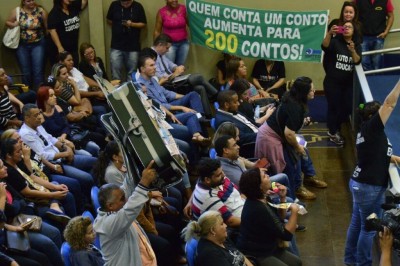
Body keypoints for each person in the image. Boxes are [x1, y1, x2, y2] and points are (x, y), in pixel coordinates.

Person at [344, 78, 400, 266]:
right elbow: (390, 103)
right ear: (374, 117)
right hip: (369, 187)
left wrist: (393, 158)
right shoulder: (374, 127)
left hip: (360, 184)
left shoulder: (365, 132)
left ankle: (350, 261)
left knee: (357, 223)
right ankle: (363, 264)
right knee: (368, 229)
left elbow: (374, 154)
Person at [255, 77, 326, 201]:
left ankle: (309, 176)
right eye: (311, 90)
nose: (314, 91)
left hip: (280, 134)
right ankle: (297, 189)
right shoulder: (295, 107)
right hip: (270, 138)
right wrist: (297, 148)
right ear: (303, 92)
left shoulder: (293, 98)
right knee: (293, 159)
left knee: (303, 146)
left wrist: (300, 146)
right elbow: (289, 134)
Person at [19, 104, 96, 205]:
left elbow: (51, 139)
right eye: (35, 115)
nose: (39, 117)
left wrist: (65, 147)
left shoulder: (38, 125)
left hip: (61, 155)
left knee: (94, 161)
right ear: (27, 118)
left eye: (39, 113)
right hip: (54, 164)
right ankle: (87, 203)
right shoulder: (25, 134)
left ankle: (91, 195)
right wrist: (65, 153)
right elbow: (42, 155)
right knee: (86, 178)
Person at [93, 161, 158, 266]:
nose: (126, 200)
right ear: (110, 205)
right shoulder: (108, 224)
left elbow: (127, 185)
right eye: (122, 199)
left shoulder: (115, 207)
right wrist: (144, 182)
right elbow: (130, 209)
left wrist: (135, 164)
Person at [137, 55, 211, 146]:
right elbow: (158, 105)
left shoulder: (153, 80)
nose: (155, 67)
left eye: (154, 65)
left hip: (169, 105)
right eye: (151, 65)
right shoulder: (141, 86)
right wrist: (182, 107)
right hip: (163, 115)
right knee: (192, 115)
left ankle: (201, 118)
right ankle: (199, 131)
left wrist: (185, 97)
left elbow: (167, 93)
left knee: (193, 94)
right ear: (143, 69)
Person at [237, 168, 302, 266]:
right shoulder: (258, 208)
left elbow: (280, 217)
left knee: (296, 262)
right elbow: (286, 235)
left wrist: (283, 198)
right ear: (259, 186)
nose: (268, 176)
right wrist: (294, 211)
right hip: (257, 253)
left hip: (269, 247)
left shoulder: (261, 198)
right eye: (264, 176)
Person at [151, 34, 218, 117]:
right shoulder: (151, 56)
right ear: (160, 45)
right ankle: (216, 95)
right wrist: (175, 74)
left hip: (173, 80)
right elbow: (160, 78)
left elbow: (170, 64)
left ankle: (207, 116)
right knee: (198, 77)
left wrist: (177, 67)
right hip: (168, 84)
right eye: (167, 48)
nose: (168, 51)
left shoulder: (161, 55)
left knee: (200, 88)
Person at [322, 21, 362, 146]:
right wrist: (329, 33)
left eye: (350, 27)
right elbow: (324, 46)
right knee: (333, 107)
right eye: (344, 27)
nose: (347, 28)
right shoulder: (335, 42)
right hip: (332, 83)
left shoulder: (356, 45)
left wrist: (352, 51)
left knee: (346, 108)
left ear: (354, 31)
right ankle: (332, 132)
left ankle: (336, 127)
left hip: (347, 85)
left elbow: (357, 61)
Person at [36, 85, 104, 157]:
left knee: (95, 147)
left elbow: (66, 125)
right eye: (51, 95)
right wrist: (62, 141)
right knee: (88, 155)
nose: (55, 97)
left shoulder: (57, 108)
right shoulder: (41, 118)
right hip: (59, 144)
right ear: (44, 99)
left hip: (70, 135)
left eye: (54, 95)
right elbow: (47, 137)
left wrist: (64, 135)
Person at [183, 210, 253, 266]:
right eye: (222, 224)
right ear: (212, 230)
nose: (226, 225)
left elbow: (238, 253)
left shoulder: (222, 237)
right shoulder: (210, 255)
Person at [5, 0, 47, 91]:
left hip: (38, 44)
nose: (31, 2)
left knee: (38, 71)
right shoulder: (18, 11)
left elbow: (47, 28)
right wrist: (13, 24)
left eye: (32, 0)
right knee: (25, 71)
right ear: (23, 2)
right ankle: (27, 93)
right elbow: (7, 22)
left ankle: (38, 95)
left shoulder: (40, 11)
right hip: (22, 46)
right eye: (28, 1)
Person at [106, 0, 147, 81]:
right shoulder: (114, 5)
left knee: (132, 73)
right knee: (115, 71)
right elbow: (109, 20)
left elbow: (143, 24)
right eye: (123, 3)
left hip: (133, 46)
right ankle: (116, 91)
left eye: (127, 3)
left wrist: (132, 24)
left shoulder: (138, 6)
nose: (125, 5)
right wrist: (117, 26)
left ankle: (131, 91)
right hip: (116, 45)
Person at [355, 0, 395, 70]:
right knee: (364, 64)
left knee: (377, 64)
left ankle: (378, 80)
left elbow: (391, 16)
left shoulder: (386, 1)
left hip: (379, 37)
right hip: (362, 37)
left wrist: (386, 32)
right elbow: (352, 13)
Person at [47, 0, 88, 64]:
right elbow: (52, 31)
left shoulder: (74, 7)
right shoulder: (54, 13)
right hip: (59, 50)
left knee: (74, 69)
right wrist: (60, 47)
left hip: (73, 48)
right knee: (63, 72)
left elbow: (84, 2)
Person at [154, 0, 189, 66]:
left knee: (180, 68)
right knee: (169, 68)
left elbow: (192, 24)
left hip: (184, 44)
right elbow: (157, 31)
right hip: (168, 46)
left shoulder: (184, 9)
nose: (174, 0)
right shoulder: (161, 12)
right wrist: (155, 48)